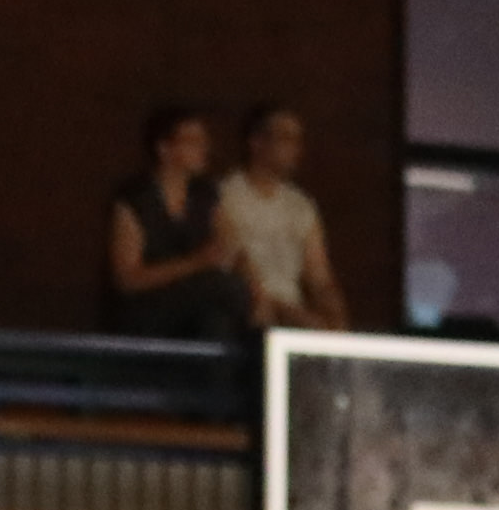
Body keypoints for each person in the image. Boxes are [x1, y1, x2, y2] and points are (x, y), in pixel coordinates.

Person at [107, 107, 241, 342]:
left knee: (216, 320)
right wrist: (195, 263)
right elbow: (128, 279)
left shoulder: (205, 196)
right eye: (192, 141)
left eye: (204, 141)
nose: (203, 148)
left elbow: (229, 243)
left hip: (195, 304)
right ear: (164, 149)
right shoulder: (135, 199)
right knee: (222, 287)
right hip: (147, 305)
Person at [218, 105, 349, 334]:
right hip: (246, 312)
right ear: (257, 142)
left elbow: (318, 275)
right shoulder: (226, 195)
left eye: (298, 140)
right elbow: (234, 261)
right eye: (286, 138)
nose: (295, 148)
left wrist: (335, 314)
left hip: (293, 312)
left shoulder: (301, 206)